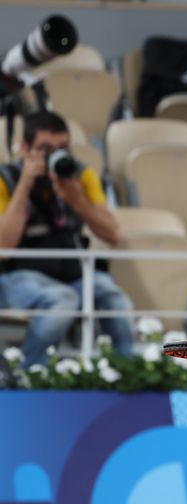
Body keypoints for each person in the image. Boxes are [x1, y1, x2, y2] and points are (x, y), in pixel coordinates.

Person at [0, 111, 134, 368]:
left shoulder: (80, 176)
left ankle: (126, 376)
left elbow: (112, 233)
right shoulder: (6, 178)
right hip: (16, 278)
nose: (54, 156)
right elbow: (4, 247)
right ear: (25, 148)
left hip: (72, 276)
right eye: (44, 149)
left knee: (115, 298)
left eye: (62, 148)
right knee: (63, 300)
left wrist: (77, 201)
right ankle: (26, 376)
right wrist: (25, 184)